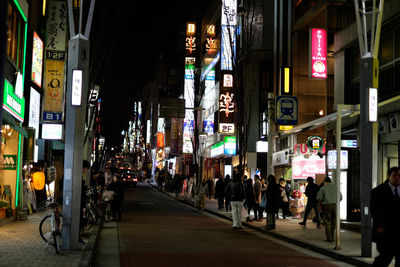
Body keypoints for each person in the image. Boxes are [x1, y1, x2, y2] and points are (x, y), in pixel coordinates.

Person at [370, 167, 400, 267]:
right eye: (394, 175)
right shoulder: (378, 191)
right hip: (385, 232)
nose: (397, 178)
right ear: (389, 176)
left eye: (399, 176)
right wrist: (379, 227)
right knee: (385, 257)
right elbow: (375, 211)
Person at [316, 176, 341, 242]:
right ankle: (333, 236)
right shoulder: (336, 188)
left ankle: (329, 238)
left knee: (327, 221)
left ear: (325, 182)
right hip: (335, 205)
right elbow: (340, 197)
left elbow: (319, 198)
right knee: (334, 221)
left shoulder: (323, 188)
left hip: (326, 205)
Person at [79, 160, 91, 245]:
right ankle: (77, 238)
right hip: (79, 203)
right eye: (86, 168)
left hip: (80, 202)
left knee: (81, 221)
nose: (86, 170)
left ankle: (78, 237)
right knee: (79, 221)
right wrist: (83, 205)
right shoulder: (80, 177)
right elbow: (81, 193)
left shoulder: (81, 176)